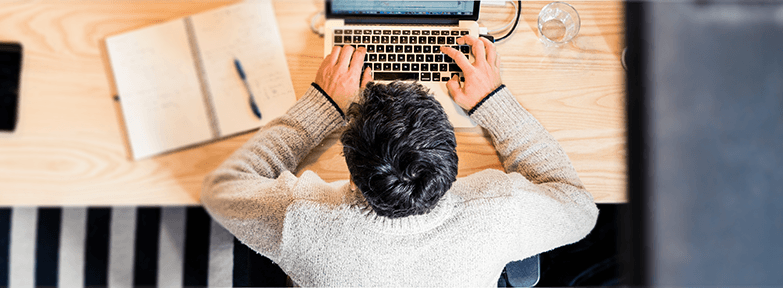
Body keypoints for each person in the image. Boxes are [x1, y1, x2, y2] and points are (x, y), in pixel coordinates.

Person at [201, 36, 598, 286]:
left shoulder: (301, 219)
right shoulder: (499, 211)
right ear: (450, 162)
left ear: (352, 172)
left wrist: (322, 105)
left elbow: (222, 188)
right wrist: (493, 103)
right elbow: (580, 208)